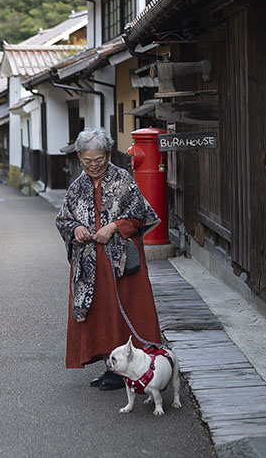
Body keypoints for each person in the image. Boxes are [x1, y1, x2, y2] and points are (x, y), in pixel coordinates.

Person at [55, 127, 163, 391]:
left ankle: (133, 369)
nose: (93, 165)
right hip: (89, 265)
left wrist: (114, 226)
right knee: (97, 314)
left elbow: (141, 215)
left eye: (99, 160)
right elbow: (63, 219)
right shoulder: (77, 186)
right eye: (87, 160)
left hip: (120, 264)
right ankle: (110, 365)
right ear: (79, 157)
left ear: (107, 155)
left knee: (122, 312)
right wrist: (75, 229)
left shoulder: (122, 179)